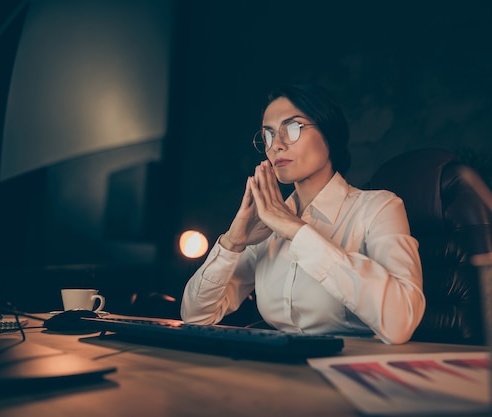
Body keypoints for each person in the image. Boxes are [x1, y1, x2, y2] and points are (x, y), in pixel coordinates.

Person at [180, 83, 425, 344]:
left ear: (329, 133)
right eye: (269, 135)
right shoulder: (267, 222)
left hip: (353, 371)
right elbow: (195, 317)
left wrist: (297, 232)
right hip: (278, 373)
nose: (277, 146)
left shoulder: (379, 208)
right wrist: (232, 242)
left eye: (293, 129)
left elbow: (402, 322)